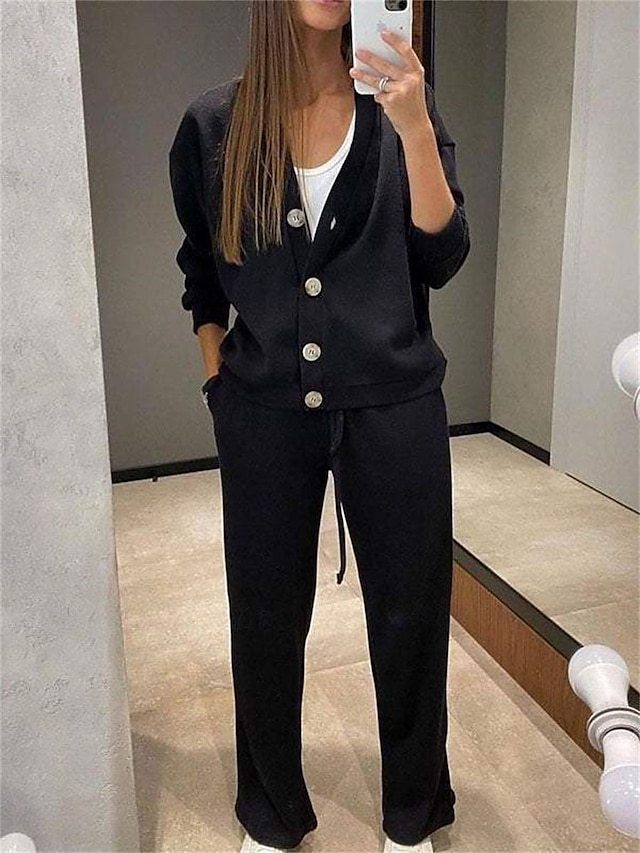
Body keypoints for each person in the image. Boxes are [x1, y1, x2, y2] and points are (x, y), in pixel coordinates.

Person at [168, 1, 471, 851]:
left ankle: (413, 814)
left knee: (410, 616)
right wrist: (217, 380)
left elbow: (444, 256)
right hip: (263, 410)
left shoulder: (402, 103)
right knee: (264, 618)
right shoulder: (215, 125)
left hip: (395, 402)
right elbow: (201, 269)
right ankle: (270, 812)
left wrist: (414, 128)